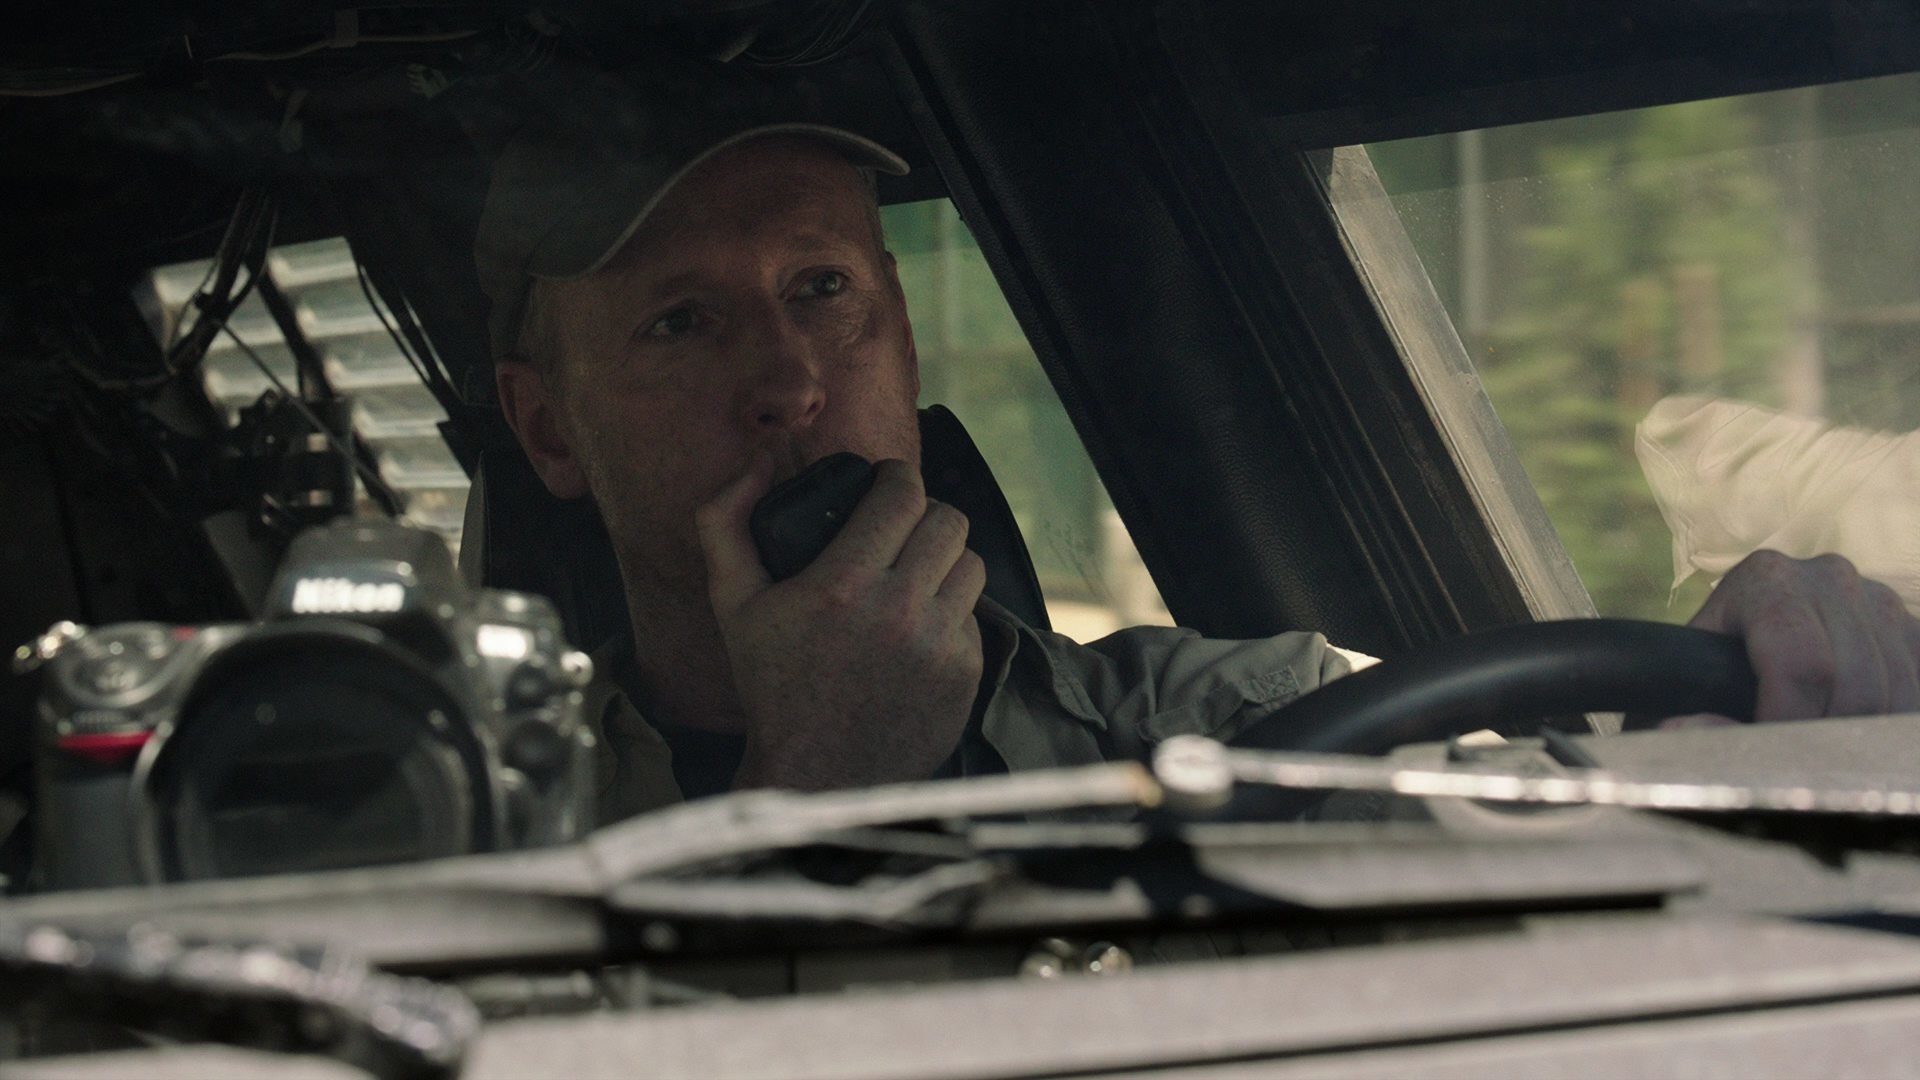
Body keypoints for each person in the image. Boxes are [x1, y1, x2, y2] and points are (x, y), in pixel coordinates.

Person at [475, 62, 1920, 821]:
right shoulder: (465, 814)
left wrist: (1730, 739)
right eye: (681, 322)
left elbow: (1552, 856)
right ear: (548, 429)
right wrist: (818, 789)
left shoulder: (1232, 718)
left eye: (822, 291)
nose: (789, 381)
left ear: (904, 339)